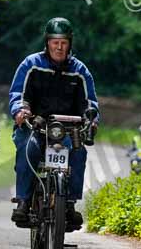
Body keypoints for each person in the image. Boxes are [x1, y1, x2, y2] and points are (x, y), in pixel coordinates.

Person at [8, 17, 99, 227]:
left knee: (78, 153)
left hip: (66, 130)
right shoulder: (31, 64)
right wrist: (21, 110)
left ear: (70, 44)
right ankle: (23, 201)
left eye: (64, 42)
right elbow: (18, 93)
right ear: (47, 42)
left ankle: (69, 204)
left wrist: (91, 120)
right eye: (55, 42)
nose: (59, 47)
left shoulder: (80, 71)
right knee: (27, 150)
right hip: (34, 126)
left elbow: (90, 102)